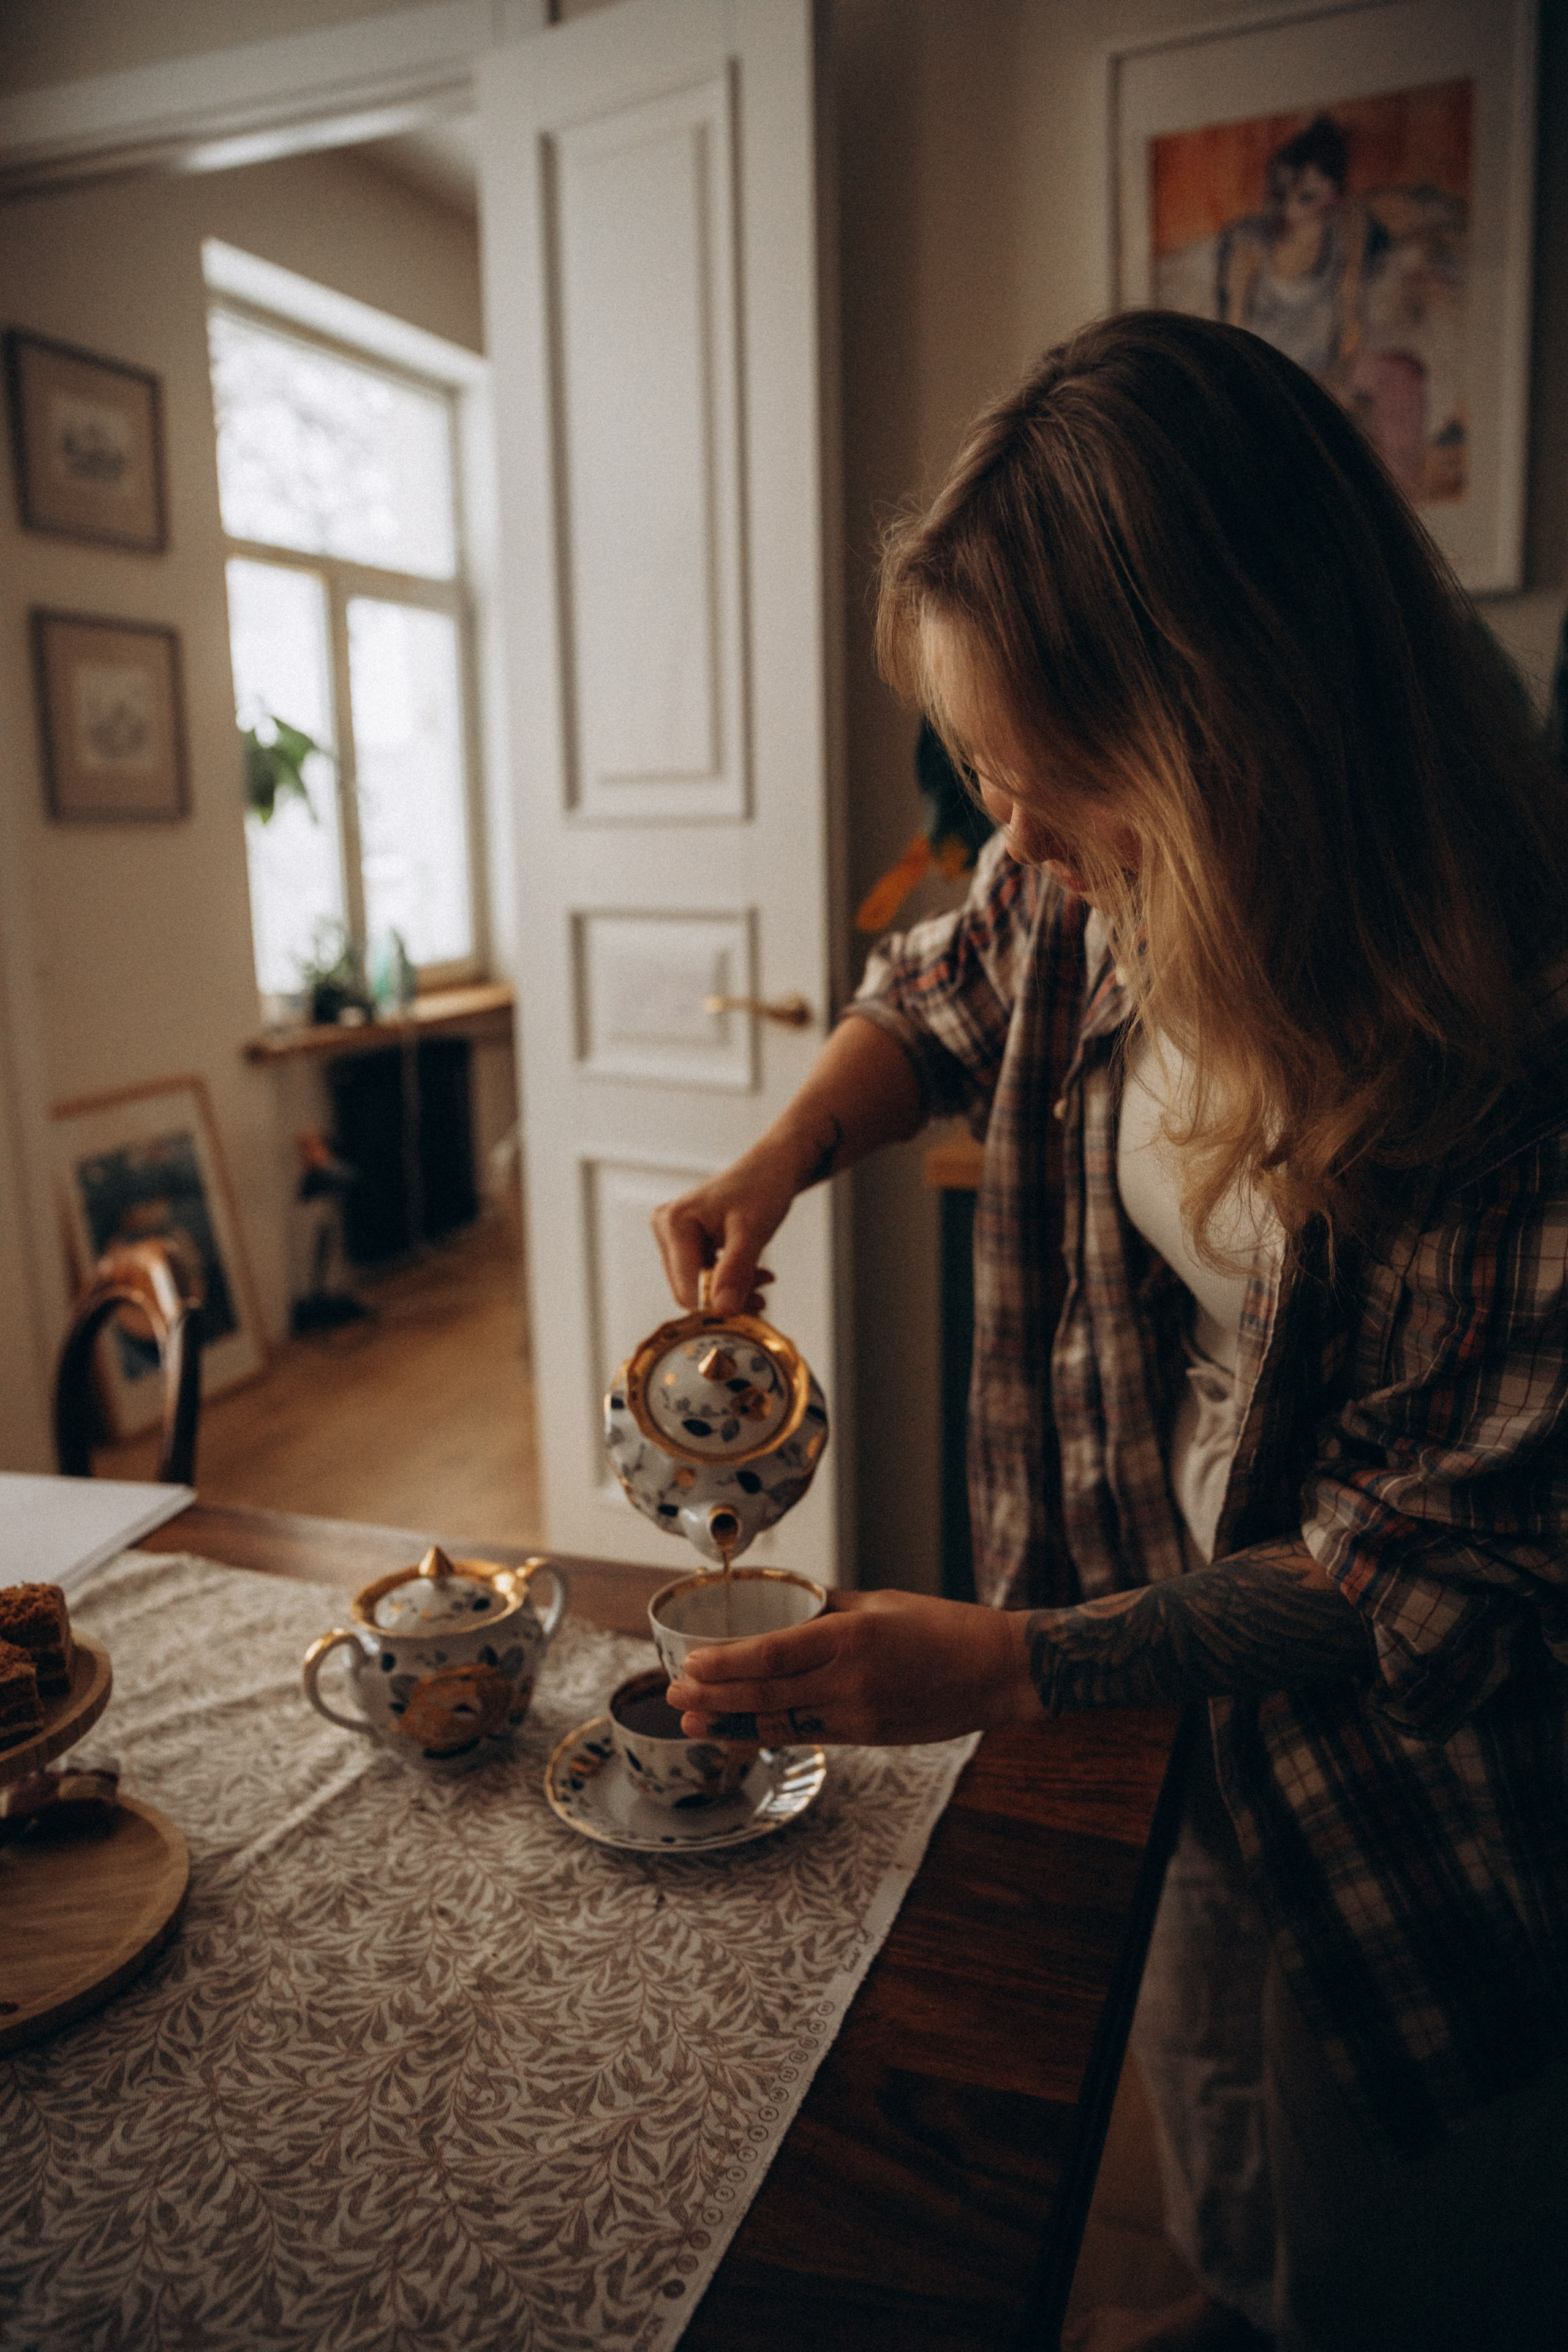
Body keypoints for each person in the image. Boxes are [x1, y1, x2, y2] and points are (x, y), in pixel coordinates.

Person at [650, 313, 1568, 2352]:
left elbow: (1418, 1573)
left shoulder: (1521, 1025)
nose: (1017, 846)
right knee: (1214, 2080)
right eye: (986, 776)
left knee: (1403, 2185)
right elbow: (942, 991)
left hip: (1413, 1765)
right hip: (1152, 1641)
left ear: (1232, 727)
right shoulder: (1079, 867)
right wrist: (785, 1150)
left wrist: (1018, 1661)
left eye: (1042, 785)